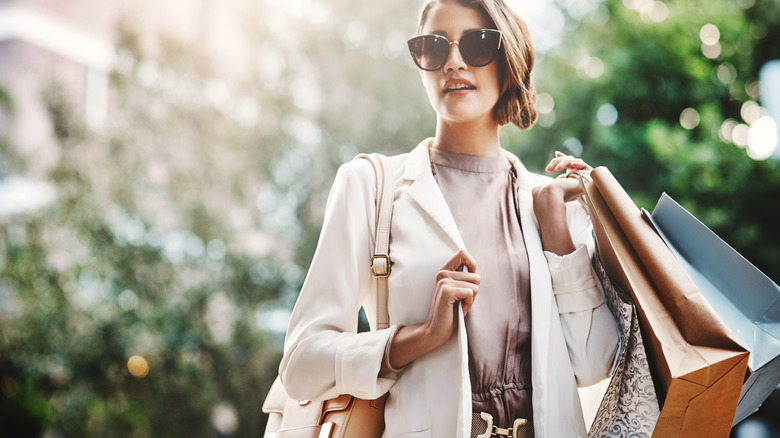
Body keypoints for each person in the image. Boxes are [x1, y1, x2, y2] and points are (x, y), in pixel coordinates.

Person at [278, 0, 620, 436]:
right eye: (433, 47)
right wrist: (417, 337)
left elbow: (594, 363)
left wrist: (556, 226)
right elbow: (302, 365)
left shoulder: (551, 200)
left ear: (508, 59)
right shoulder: (370, 185)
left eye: (477, 44)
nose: (453, 61)